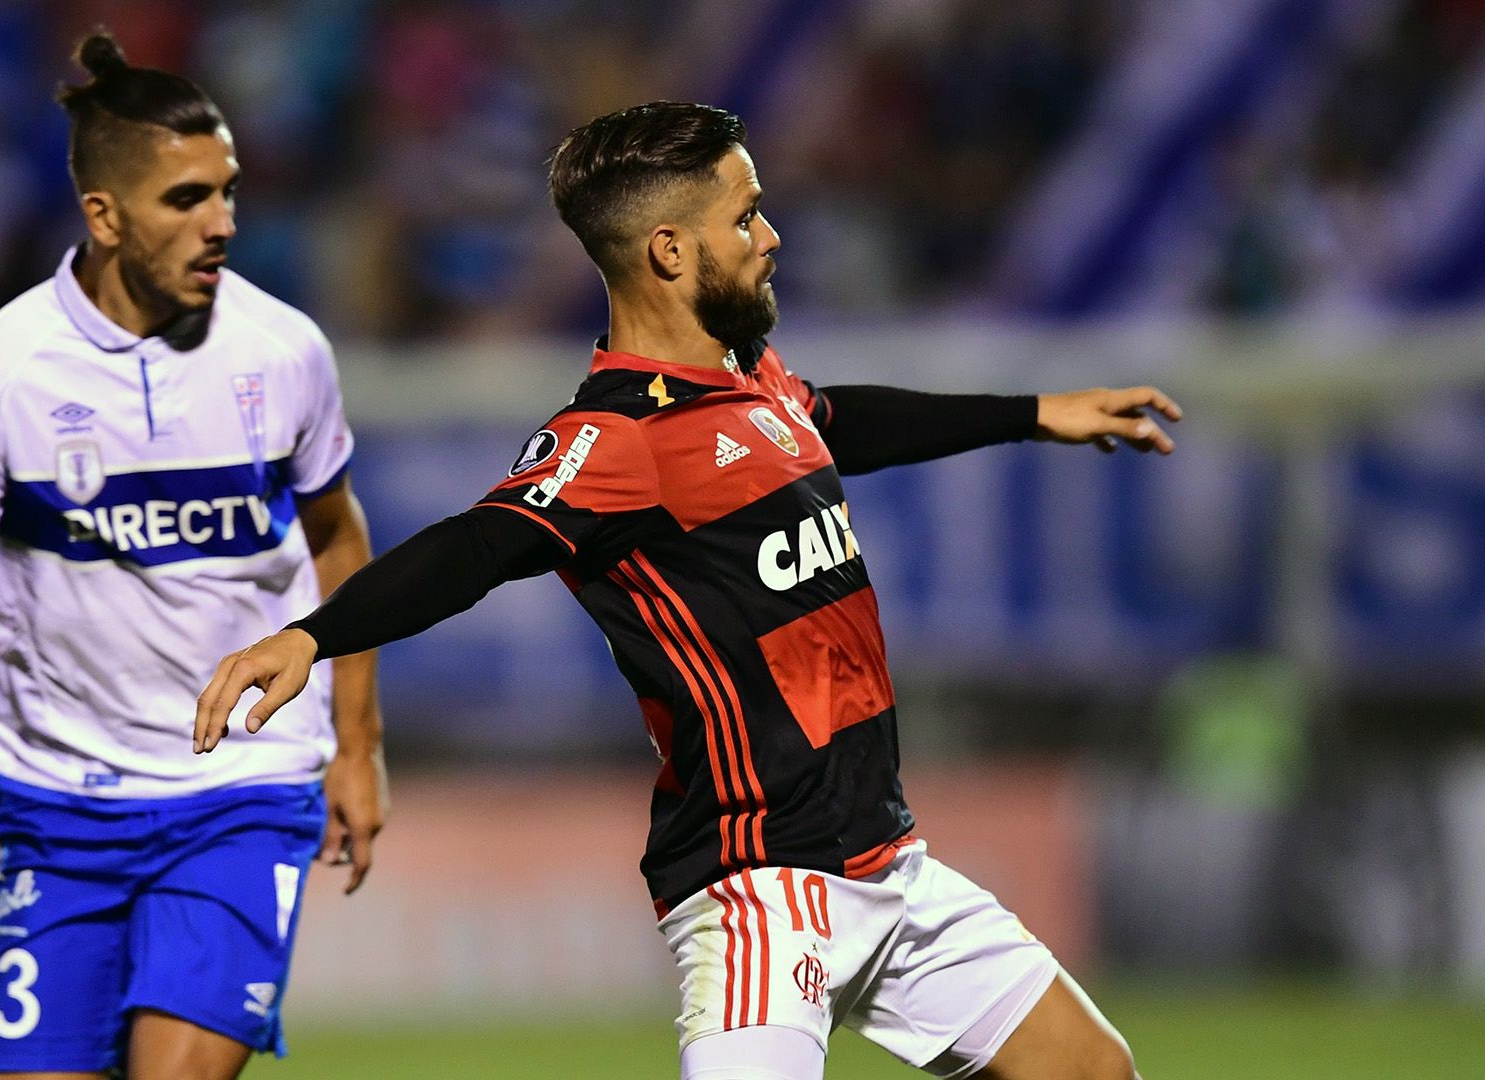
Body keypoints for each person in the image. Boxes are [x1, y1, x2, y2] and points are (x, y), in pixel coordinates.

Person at [194, 102, 1176, 1080]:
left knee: (1091, 1071)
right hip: (763, 882)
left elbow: (837, 422)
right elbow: (479, 546)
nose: (772, 237)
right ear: (668, 250)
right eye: (745, 216)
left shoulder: (750, 382)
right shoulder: (615, 439)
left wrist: (1037, 413)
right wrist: (313, 637)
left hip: (887, 863)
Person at [0, 32, 386, 1080]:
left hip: (241, 789)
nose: (224, 223)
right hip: (59, 814)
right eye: (187, 199)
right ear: (103, 216)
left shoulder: (285, 352)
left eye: (228, 192)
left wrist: (358, 747)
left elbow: (337, 538)